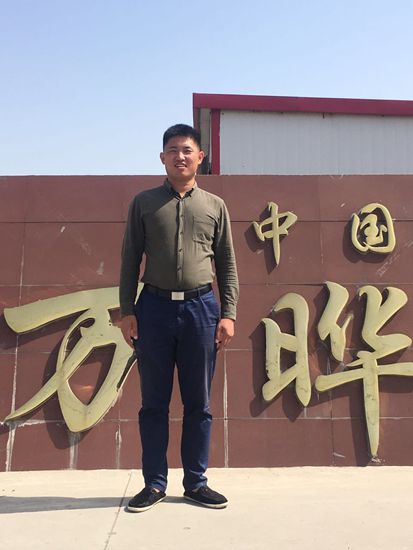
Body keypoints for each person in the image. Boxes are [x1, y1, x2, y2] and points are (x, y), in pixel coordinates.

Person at [119, 123, 239, 512]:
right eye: (173, 150)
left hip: (201, 309)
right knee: (153, 402)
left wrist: (228, 313)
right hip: (153, 309)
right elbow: (129, 259)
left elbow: (227, 264)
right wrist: (127, 311)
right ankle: (154, 483)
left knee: (198, 403)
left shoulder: (215, 206)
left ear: (200, 157)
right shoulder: (144, 203)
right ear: (162, 158)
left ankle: (196, 483)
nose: (180, 156)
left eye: (187, 150)